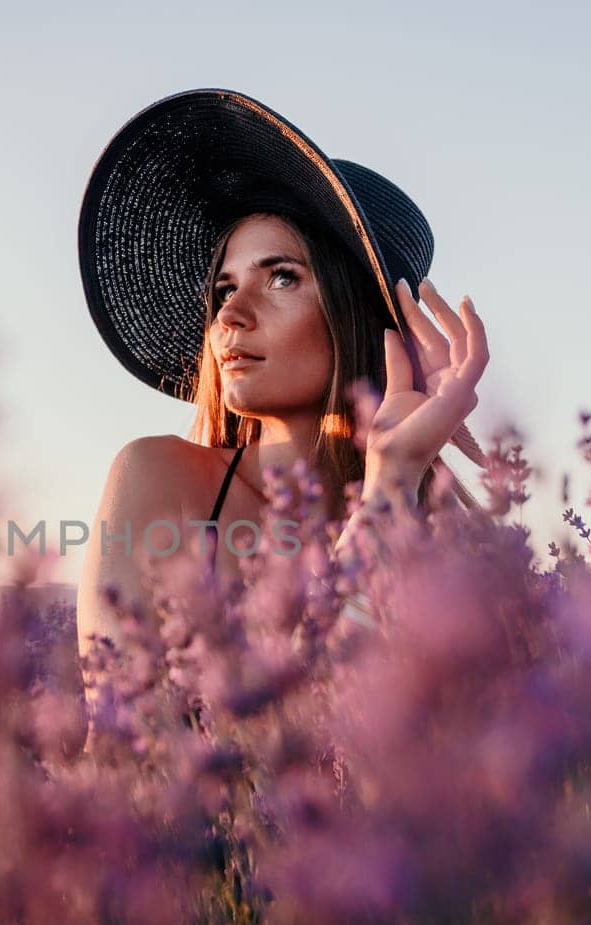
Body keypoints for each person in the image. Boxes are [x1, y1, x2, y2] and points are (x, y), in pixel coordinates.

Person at [74, 88, 491, 660]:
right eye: (224, 288)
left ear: (360, 319)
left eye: (282, 278)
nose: (230, 313)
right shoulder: (159, 477)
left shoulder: (448, 542)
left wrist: (391, 484)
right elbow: (120, 742)